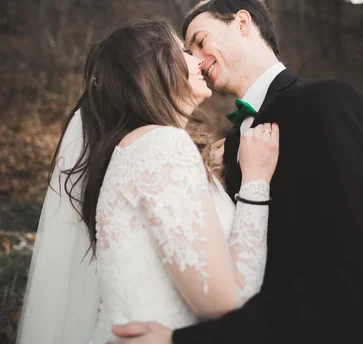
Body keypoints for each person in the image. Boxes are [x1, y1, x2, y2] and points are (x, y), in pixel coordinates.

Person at [111, 0, 363, 344]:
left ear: (243, 23)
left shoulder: (327, 103)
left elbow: (351, 285)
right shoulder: (227, 144)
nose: (195, 60)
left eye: (200, 41)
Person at [16, 18, 279, 344]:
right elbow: (228, 301)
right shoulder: (162, 147)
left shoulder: (141, 149)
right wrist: (255, 181)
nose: (198, 59)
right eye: (183, 50)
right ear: (152, 68)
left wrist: (211, 182)